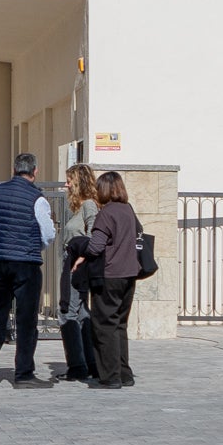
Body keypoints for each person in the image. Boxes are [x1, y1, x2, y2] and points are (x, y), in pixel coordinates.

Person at [0, 151, 55, 387]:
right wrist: (34, 246)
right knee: (26, 320)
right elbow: (48, 234)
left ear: (14, 169)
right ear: (35, 171)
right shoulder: (37, 198)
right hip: (26, 263)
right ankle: (23, 374)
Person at [85, 169, 146, 387]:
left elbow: (96, 246)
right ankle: (124, 373)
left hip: (109, 274)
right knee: (120, 324)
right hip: (130, 273)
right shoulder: (128, 210)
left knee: (104, 325)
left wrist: (81, 248)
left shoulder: (107, 213)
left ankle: (110, 376)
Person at [57, 161, 99, 384]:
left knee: (67, 311)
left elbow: (95, 236)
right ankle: (89, 363)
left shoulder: (89, 206)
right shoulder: (79, 206)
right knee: (81, 312)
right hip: (72, 260)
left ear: (78, 181)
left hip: (77, 263)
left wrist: (81, 259)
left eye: (69, 180)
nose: (66, 184)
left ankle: (76, 365)